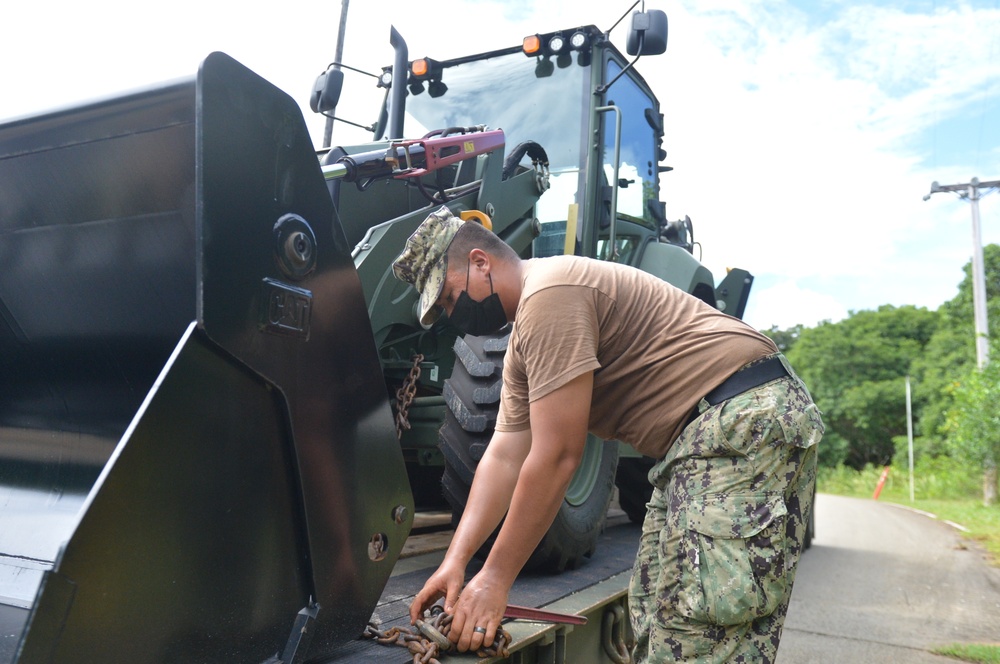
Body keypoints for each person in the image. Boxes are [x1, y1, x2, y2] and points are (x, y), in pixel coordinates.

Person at [392, 206, 823, 663]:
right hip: (698, 440)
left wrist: (496, 578)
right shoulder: (524, 338)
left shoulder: (552, 295)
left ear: (481, 262)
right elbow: (503, 457)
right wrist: (455, 562)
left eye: (449, 297)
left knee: (702, 626)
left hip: (741, 421)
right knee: (657, 610)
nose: (451, 313)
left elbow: (557, 456)